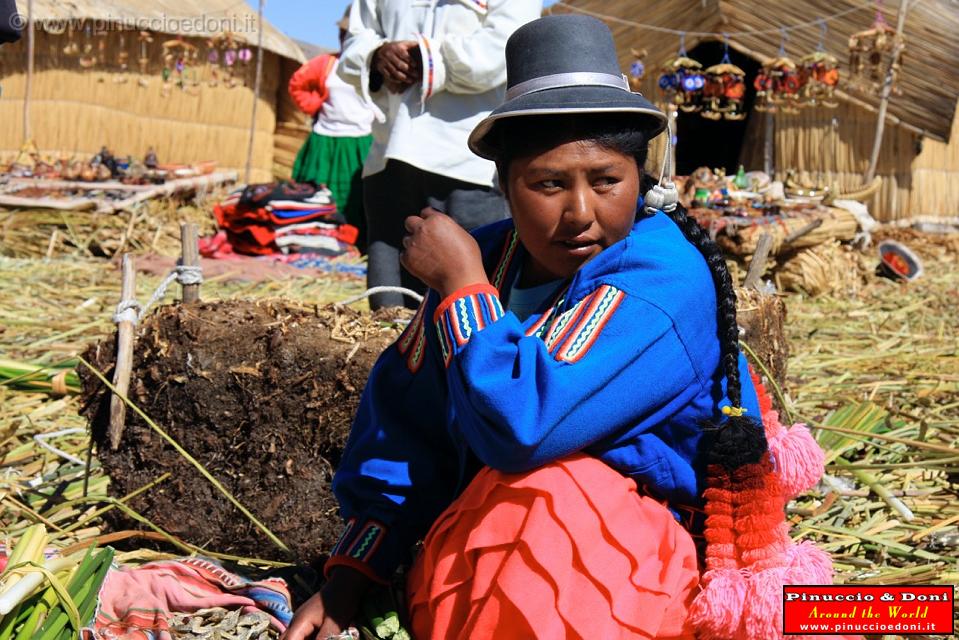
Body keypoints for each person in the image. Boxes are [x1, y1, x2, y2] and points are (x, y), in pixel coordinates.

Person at [285, 15, 836, 640]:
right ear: (503, 188)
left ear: (641, 180)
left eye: (607, 181)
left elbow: (524, 427)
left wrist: (463, 291)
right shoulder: (493, 258)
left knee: (547, 488)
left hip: (625, 566)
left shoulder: (662, 276)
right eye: (547, 184)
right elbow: (405, 421)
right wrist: (350, 580)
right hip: (485, 554)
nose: (580, 214)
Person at [337, 0, 542, 309]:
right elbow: (357, 39)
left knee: (469, 295)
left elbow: (505, 46)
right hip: (389, 156)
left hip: (464, 161)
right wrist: (377, 56)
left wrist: (427, 56)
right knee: (390, 303)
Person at [288, 8, 375, 249]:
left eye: (349, 32)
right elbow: (297, 84)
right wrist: (315, 105)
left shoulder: (371, 65)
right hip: (325, 139)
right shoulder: (327, 64)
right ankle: (313, 241)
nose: (345, 37)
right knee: (317, 191)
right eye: (343, 32)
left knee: (356, 196)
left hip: (360, 141)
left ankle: (354, 243)